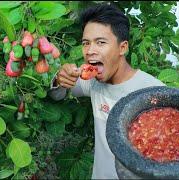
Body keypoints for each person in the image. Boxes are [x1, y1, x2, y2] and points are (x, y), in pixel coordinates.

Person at [49, 3, 165, 179]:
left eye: (100, 42)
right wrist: (59, 78)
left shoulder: (154, 92)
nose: (90, 51)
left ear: (122, 48)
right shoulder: (94, 83)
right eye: (85, 43)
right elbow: (57, 94)